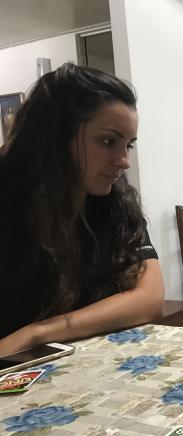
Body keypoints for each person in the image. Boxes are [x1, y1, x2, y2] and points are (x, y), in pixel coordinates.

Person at [0, 63, 164, 357]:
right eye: (108, 141)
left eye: (128, 145)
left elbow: (150, 297)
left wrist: (37, 332)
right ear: (55, 136)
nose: (123, 160)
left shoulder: (116, 203)